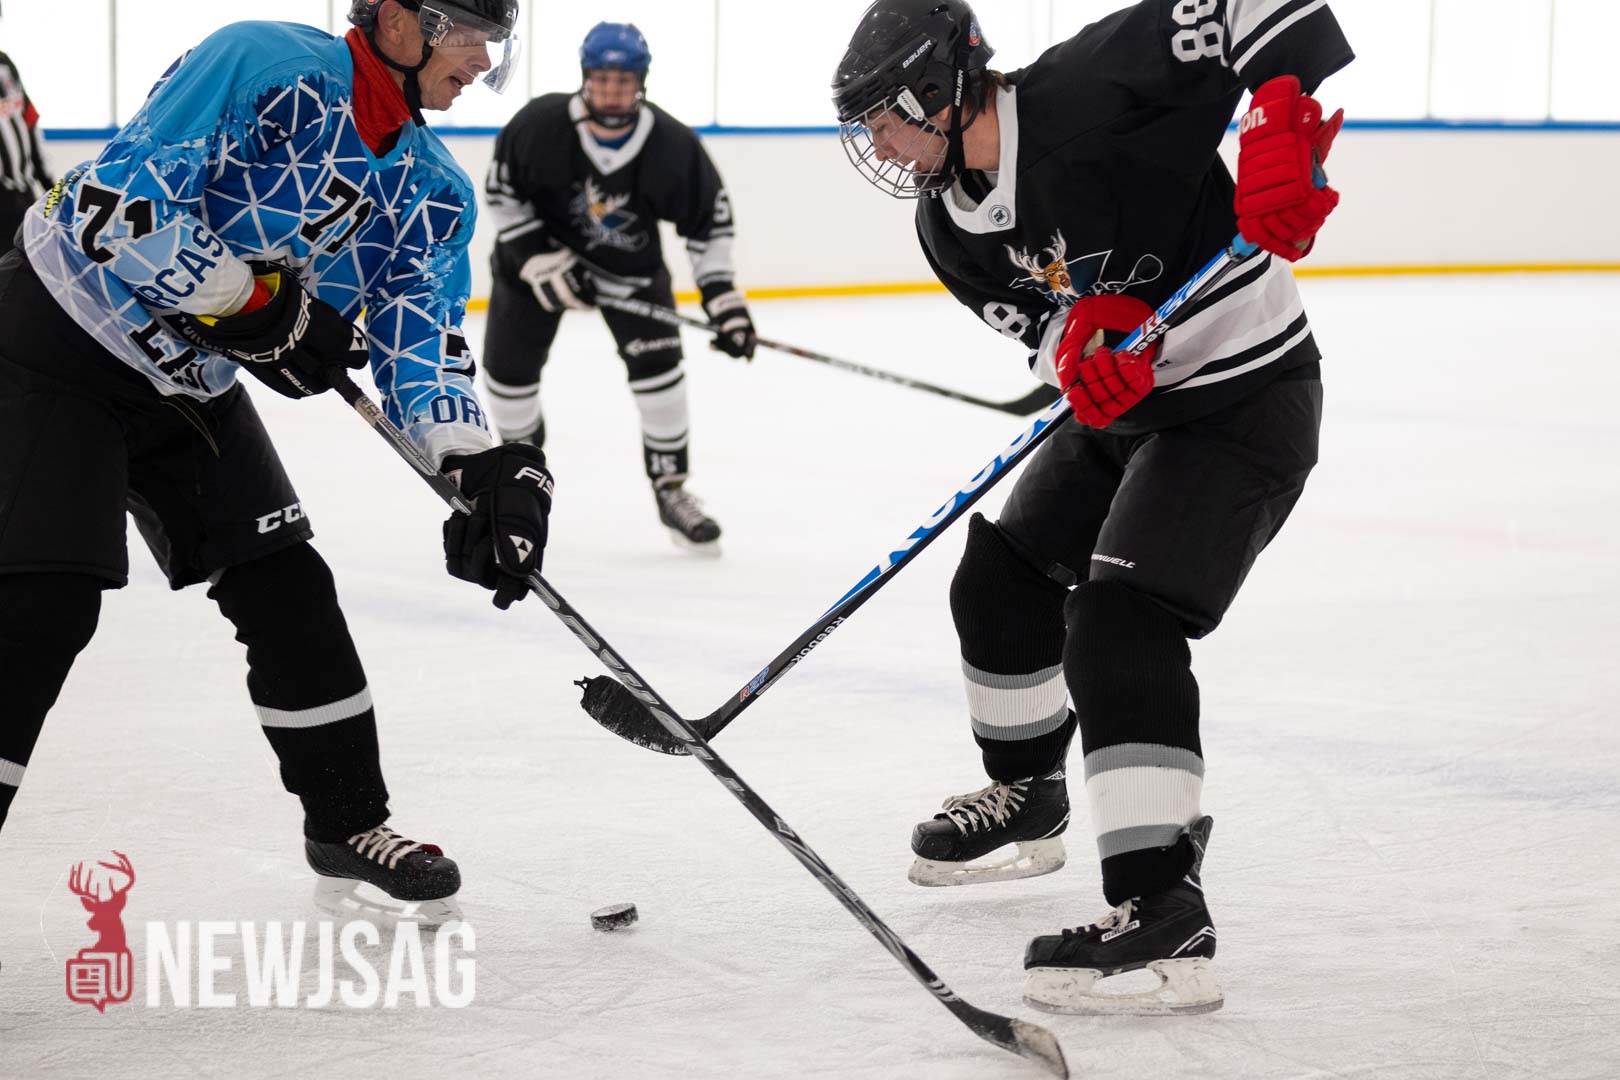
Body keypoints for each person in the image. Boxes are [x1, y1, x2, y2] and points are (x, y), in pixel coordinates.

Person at [833, 0, 1351, 1013]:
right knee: (1001, 580)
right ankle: (1030, 794)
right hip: (1133, 413)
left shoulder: (1093, 82)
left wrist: (1280, 118)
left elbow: (1248, 9)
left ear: (941, 86)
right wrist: (1074, 352)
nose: (880, 146)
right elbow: (1042, 327)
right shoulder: (947, 224)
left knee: (1119, 625)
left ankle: (1163, 905)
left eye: (886, 119)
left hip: (1244, 399)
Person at [0, 0, 553, 921]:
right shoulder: (266, 64)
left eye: (493, 41)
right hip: (59, 333)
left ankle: (347, 823)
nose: (482, 58)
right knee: (45, 603)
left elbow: (421, 344)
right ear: (398, 20)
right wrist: (259, 306)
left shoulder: (431, 190)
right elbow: (115, 208)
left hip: (190, 383)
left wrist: (475, 466)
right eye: (469, 34)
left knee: (287, 590)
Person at [483, 21, 756, 550]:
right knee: (509, 380)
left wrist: (725, 302)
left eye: (624, 81)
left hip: (632, 276)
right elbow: (502, 193)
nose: (612, 92)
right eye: (603, 79)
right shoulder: (540, 124)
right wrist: (539, 260)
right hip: (534, 271)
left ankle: (672, 489)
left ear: (642, 82)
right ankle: (515, 482)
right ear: (585, 77)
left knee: (662, 381)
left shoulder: (672, 144)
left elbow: (709, 226)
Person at [0, 34, 53, 253]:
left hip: (23, 194)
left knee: (29, 260)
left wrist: (51, 186)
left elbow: (29, 121)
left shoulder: (5, 64)